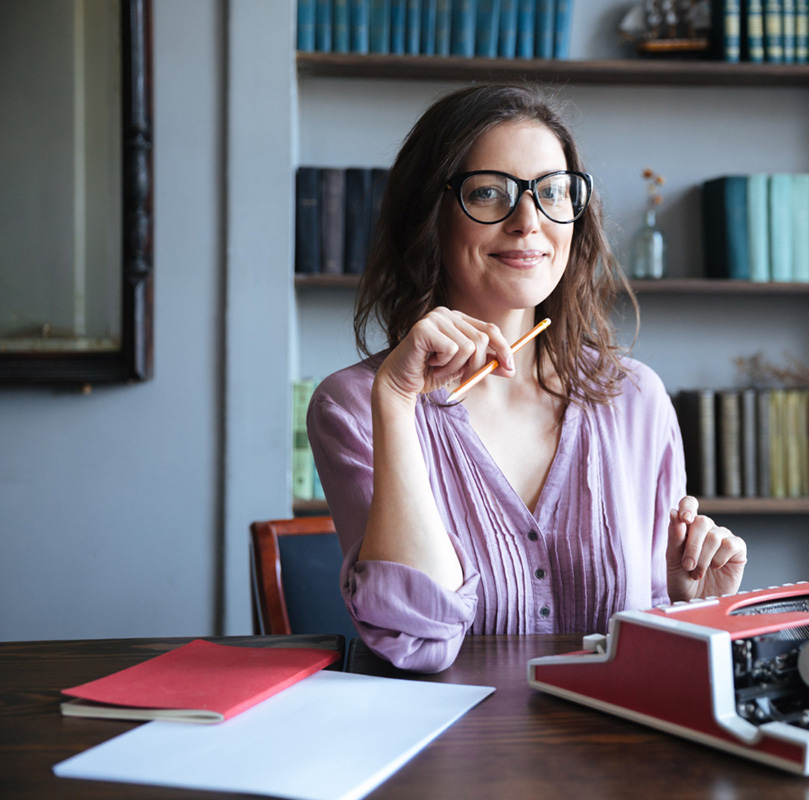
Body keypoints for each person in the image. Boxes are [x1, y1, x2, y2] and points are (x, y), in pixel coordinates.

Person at [308, 84, 748, 672]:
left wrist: (693, 608)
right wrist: (395, 399)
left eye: (553, 191)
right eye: (489, 193)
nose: (528, 221)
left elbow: (650, 643)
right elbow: (416, 641)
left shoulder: (637, 399)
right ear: (430, 216)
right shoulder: (354, 405)